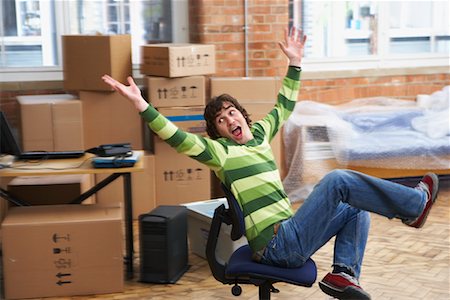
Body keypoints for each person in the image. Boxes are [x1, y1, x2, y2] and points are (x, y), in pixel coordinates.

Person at [102, 27, 439, 300]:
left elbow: (284, 105)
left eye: (231, 111)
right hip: (275, 245)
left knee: (354, 207)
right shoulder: (221, 153)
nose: (228, 118)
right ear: (217, 131)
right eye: (220, 119)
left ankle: (343, 273)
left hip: (289, 235)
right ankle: (414, 205)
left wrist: (295, 63)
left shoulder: (261, 134)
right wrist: (142, 106)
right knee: (338, 181)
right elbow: (177, 137)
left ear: (242, 115)